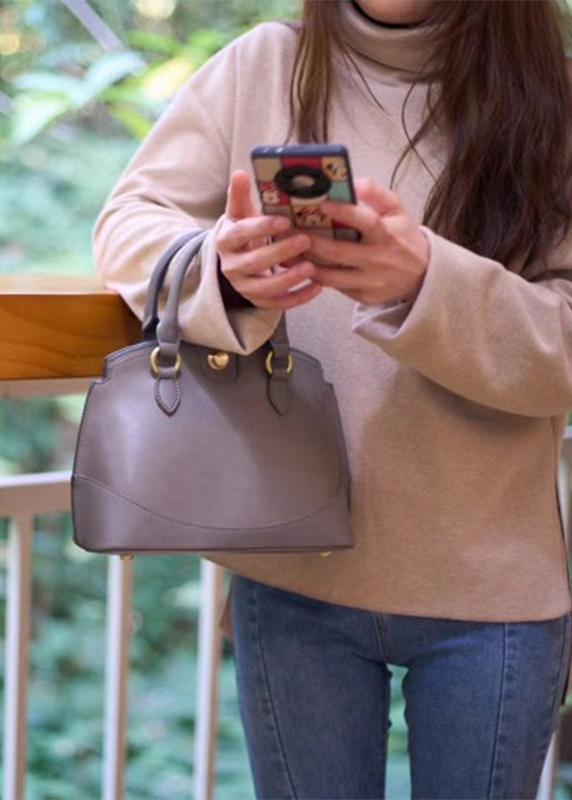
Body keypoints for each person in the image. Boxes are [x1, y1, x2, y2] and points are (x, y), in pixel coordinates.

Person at [93, 1, 572, 796]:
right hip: (294, 568)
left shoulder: (552, 95)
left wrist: (427, 282)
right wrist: (222, 268)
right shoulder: (266, 62)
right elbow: (127, 222)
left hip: (496, 587)